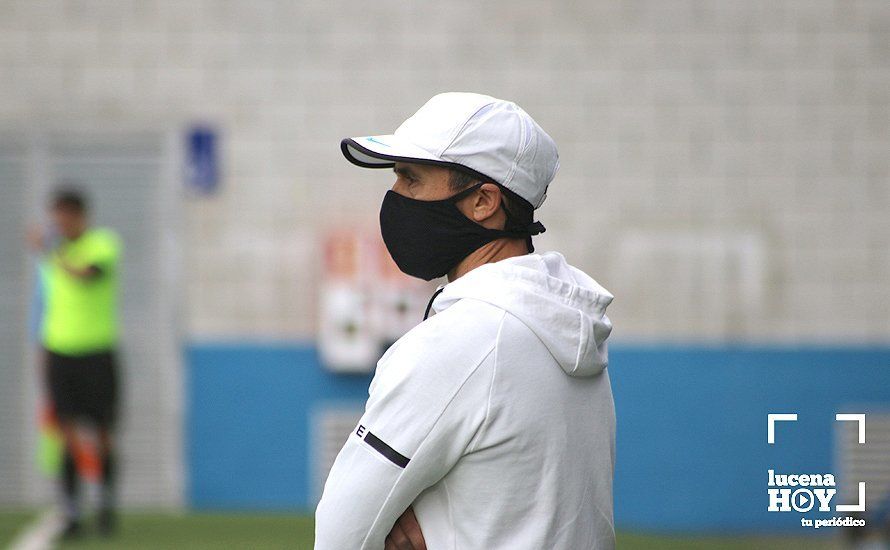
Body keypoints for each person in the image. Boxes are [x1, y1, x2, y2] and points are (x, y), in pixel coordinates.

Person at [315, 92, 616, 549]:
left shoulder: (463, 340)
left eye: (411, 180)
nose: (395, 199)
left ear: (483, 202)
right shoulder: (569, 328)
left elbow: (340, 535)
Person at [28, 187, 123, 538]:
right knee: (65, 432)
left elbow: (86, 275)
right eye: (57, 219)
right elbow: (45, 302)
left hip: (97, 352)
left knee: (101, 432)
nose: (61, 225)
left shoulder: (103, 244)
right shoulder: (51, 257)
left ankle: (105, 505)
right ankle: (71, 511)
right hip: (59, 353)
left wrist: (52, 252)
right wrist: (39, 348)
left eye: (66, 218)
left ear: (81, 217)